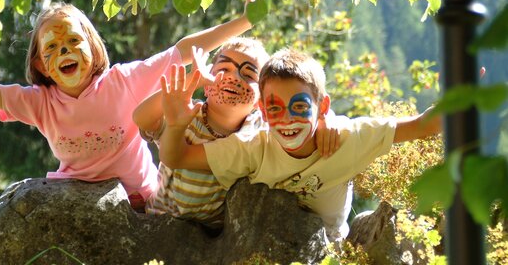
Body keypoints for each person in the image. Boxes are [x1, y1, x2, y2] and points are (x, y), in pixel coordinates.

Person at [0, 0, 253, 210]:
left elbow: (182, 50)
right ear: (41, 65)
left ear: (93, 46)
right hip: (77, 204)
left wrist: (244, 22)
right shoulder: (39, 103)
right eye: (52, 48)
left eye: (73, 41)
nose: (65, 52)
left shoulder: (122, 82)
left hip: (144, 203)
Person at [157, 48, 441, 240]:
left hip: (327, 245)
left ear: (322, 107)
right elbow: (176, 157)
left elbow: (424, 125)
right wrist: (176, 124)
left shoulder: (346, 138)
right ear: (264, 113)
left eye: (300, 107)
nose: (288, 119)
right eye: (276, 109)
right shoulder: (253, 147)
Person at [134, 37, 270, 228]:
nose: (234, 77)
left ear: (259, 101)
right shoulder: (187, 114)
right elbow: (141, 118)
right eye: (223, 69)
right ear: (206, 85)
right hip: (157, 222)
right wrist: (192, 79)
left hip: (208, 236)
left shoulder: (255, 132)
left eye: (249, 74)